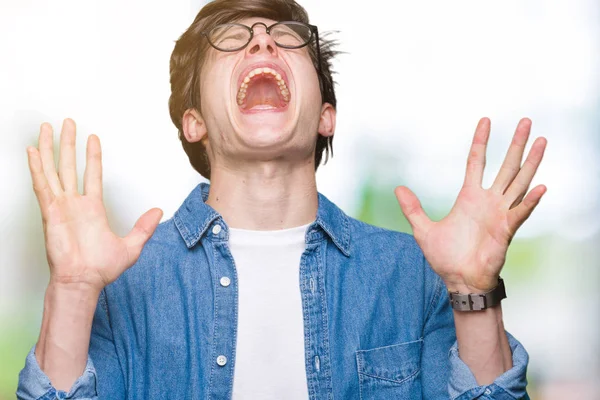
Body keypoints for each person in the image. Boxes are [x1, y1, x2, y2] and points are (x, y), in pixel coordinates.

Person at [17, 0, 547, 398]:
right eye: (231, 38)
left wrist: (471, 292)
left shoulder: (412, 275)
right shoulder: (124, 286)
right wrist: (72, 289)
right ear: (194, 120)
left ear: (325, 115)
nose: (263, 44)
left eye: (287, 38)